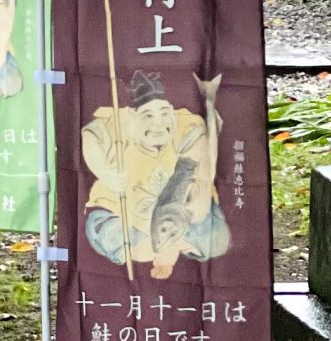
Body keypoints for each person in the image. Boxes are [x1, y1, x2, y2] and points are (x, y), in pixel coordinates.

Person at [80, 70, 229, 279]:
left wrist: (198, 192)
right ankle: (165, 246)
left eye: (164, 113)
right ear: (134, 116)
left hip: (181, 208)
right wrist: (105, 173)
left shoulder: (184, 122)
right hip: (123, 210)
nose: (158, 124)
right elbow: (90, 137)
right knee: (102, 231)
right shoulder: (119, 122)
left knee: (216, 238)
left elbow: (201, 153)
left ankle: (168, 244)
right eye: (148, 116)